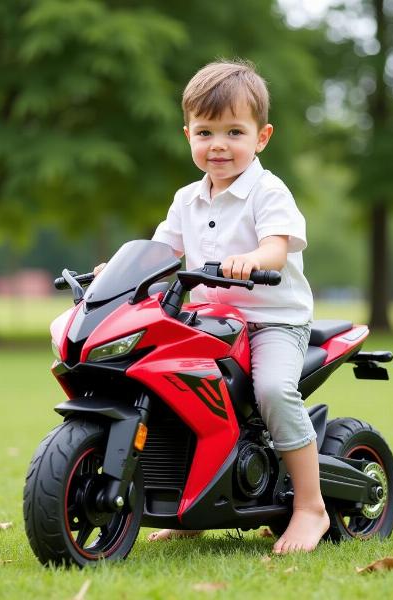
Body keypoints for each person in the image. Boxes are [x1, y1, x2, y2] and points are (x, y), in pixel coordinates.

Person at [94, 59, 329, 554]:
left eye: (233, 132)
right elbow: (160, 254)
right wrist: (113, 273)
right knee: (170, 389)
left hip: (271, 321)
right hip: (208, 320)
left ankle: (311, 508)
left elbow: (277, 248)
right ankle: (193, 505)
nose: (218, 144)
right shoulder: (185, 199)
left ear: (262, 137)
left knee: (273, 390)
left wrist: (250, 260)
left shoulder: (268, 191)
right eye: (205, 132)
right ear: (187, 135)